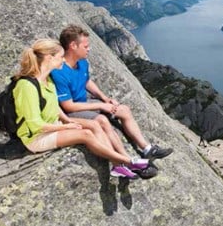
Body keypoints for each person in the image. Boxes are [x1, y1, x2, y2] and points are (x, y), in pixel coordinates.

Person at [13, 39, 150, 178]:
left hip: (54, 124)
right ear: (49, 58)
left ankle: (117, 166)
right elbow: (36, 125)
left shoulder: (47, 80)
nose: (63, 60)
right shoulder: (26, 86)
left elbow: (53, 106)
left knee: (95, 124)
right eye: (60, 57)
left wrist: (67, 121)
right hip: (37, 137)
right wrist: (65, 127)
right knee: (86, 135)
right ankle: (128, 161)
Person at [50, 25, 172, 160]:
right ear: (73, 45)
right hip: (73, 110)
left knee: (124, 110)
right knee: (102, 120)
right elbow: (69, 106)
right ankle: (126, 160)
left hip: (85, 102)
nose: (89, 49)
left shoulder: (81, 62)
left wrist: (105, 98)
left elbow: (86, 81)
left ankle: (147, 149)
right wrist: (101, 106)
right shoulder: (59, 71)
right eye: (85, 46)